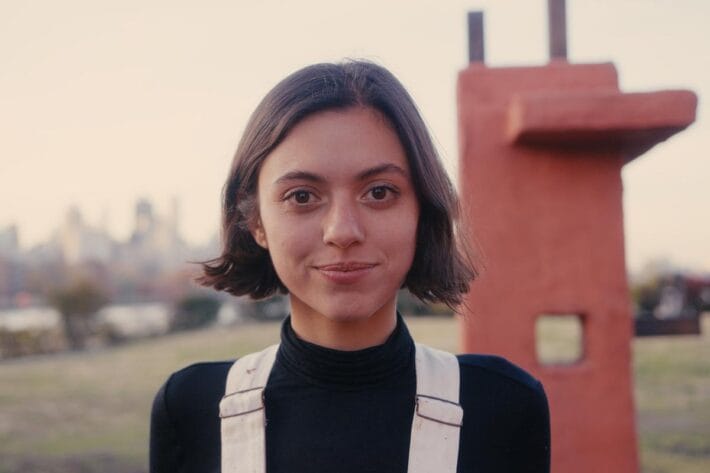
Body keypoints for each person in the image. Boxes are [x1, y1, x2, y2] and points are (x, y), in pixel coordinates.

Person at [150, 60, 550, 473]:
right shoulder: (190, 408)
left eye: (379, 192)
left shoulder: (503, 406)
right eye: (302, 197)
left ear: (422, 210)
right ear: (255, 222)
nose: (342, 231)